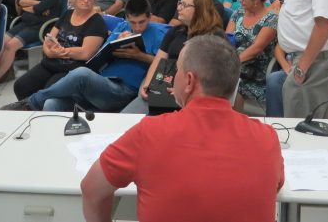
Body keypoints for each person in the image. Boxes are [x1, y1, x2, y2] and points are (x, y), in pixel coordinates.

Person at [82, 34, 284, 222]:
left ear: (189, 80)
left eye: (176, 69)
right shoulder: (267, 137)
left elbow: (91, 189)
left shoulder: (150, 133)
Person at [2, 0, 168, 112]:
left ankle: (30, 103)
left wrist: (139, 55)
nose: (137, 27)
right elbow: (102, 53)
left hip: (123, 89)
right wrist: (117, 40)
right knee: (51, 104)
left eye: (142, 22)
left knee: (81, 73)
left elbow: (163, 64)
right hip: (101, 81)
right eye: (133, 22)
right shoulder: (122, 27)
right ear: (127, 18)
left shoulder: (161, 33)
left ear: (150, 17)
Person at [121, 0, 223, 114]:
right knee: (125, 117)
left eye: (184, 5)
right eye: (180, 3)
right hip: (163, 88)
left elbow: (212, 74)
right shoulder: (175, 31)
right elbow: (158, 60)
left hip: (192, 97)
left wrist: (183, 90)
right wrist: (148, 84)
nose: (179, 8)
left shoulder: (214, 37)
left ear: (199, 8)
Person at [11, 0, 107, 100]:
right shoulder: (68, 14)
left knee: (48, 94)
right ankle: (27, 107)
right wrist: (48, 52)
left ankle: (32, 107)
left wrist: (60, 51)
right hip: (50, 62)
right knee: (20, 86)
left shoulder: (96, 22)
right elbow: (49, 39)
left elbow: (85, 53)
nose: (86, 0)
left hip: (72, 69)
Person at [227, 0, 278, 109]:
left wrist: (231, 64)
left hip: (256, 71)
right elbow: (228, 39)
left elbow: (257, 48)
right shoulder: (238, 13)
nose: (240, 0)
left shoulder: (271, 19)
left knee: (226, 84)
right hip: (234, 66)